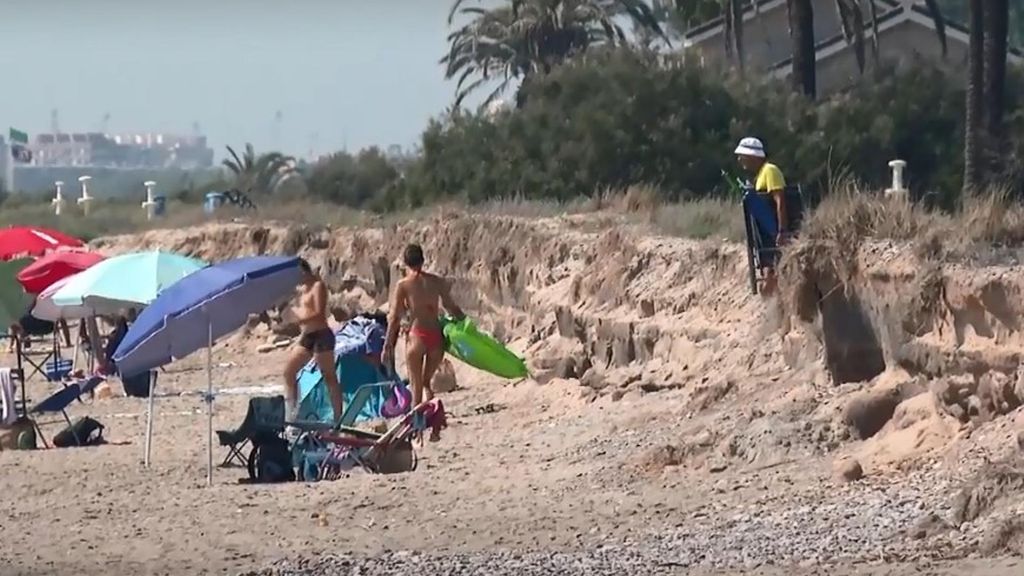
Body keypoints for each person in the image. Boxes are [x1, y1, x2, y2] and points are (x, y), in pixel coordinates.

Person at [382, 244, 464, 441]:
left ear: (405, 262)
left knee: (416, 388)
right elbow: (451, 307)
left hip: (417, 335)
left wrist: (388, 344)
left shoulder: (403, 285)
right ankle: (434, 429)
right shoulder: (436, 282)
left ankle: (416, 432)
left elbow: (394, 317)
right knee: (427, 383)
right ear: (423, 259)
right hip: (436, 337)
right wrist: (466, 324)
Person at [282, 258, 342, 426]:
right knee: (289, 371)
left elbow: (318, 313)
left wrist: (297, 318)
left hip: (321, 335)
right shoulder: (301, 290)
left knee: (329, 376)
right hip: (306, 336)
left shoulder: (318, 286)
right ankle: (291, 415)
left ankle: (339, 418)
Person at [735, 136, 788, 295]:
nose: (740, 159)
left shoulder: (770, 171)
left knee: (769, 279)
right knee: (767, 279)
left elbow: (780, 200)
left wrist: (782, 230)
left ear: (753, 156)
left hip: (771, 235)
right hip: (763, 239)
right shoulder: (760, 176)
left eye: (743, 155)